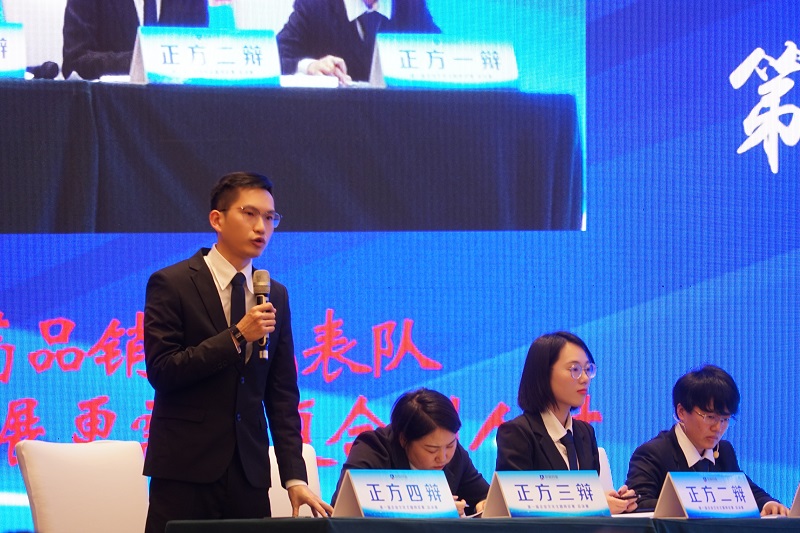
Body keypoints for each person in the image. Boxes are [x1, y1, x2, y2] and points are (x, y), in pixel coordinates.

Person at [143, 172, 333, 533]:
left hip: (249, 474)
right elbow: (163, 370)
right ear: (217, 219)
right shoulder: (172, 283)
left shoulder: (274, 294)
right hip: (185, 470)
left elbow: (281, 393)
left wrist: (294, 477)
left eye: (270, 217)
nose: (262, 227)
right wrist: (237, 335)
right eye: (250, 214)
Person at [495, 331, 638, 514]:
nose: (585, 379)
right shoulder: (517, 433)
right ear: (543, 374)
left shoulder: (585, 432)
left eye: (588, 369)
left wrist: (613, 501)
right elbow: (519, 507)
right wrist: (595, 505)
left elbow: (587, 494)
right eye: (575, 370)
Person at [625, 364, 789, 516]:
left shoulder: (723, 451)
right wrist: (701, 503)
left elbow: (746, 491)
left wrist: (768, 503)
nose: (718, 428)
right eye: (710, 417)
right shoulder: (653, 453)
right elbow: (637, 503)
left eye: (725, 419)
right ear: (681, 412)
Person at [331, 388, 489, 516]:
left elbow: (483, 496)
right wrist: (433, 508)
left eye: (450, 445)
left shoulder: (456, 455)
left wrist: (483, 505)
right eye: (431, 449)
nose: (443, 457)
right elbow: (345, 507)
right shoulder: (373, 447)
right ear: (403, 440)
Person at [277, 0, 440, 84]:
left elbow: (441, 52)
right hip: (332, 122)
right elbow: (275, 57)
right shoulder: (316, 5)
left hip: (394, 123)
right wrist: (310, 66)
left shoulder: (410, 5)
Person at [62, 0, 208, 79]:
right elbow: (74, 61)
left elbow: (201, 58)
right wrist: (139, 62)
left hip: (176, 113)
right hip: (114, 113)